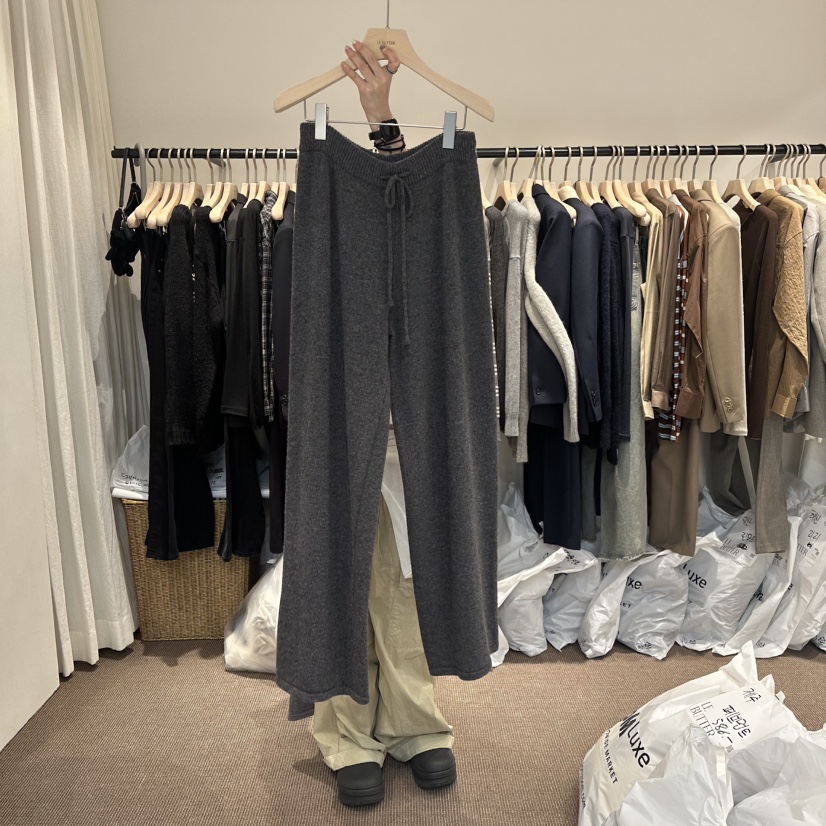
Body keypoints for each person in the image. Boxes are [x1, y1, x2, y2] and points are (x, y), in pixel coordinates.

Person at [309, 40, 457, 809]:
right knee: (344, 573)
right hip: (348, 422)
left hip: (414, 433)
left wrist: (382, 117)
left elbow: (404, 203)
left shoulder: (435, 220)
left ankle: (416, 723)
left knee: (406, 585)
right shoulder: (323, 213)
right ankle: (348, 733)